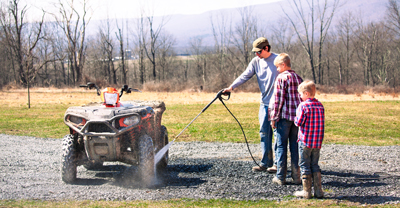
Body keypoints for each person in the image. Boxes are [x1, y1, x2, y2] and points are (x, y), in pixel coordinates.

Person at [223, 37, 279, 172]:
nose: (256, 54)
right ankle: (265, 162)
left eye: (258, 52)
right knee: (264, 133)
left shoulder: (278, 60)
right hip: (264, 103)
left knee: (278, 134)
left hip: (278, 105)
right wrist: (231, 87)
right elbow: (245, 75)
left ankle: (278, 164)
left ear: (266, 48)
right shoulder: (256, 62)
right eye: (255, 52)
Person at [269, 53, 303, 185]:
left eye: (277, 67)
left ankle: (280, 177)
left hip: (283, 118)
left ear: (283, 65)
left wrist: (273, 117)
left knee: (281, 146)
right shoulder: (298, 77)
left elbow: (278, 100)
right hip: (296, 119)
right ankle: (296, 176)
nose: (277, 69)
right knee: (294, 146)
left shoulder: (281, 78)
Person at [293, 80, 325, 199]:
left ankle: (306, 192)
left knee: (305, 165)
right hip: (317, 141)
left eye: (300, 94)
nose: (300, 96)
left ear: (306, 93)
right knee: (315, 165)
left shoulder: (303, 106)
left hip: (305, 140)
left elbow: (299, 122)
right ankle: (318, 191)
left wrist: (295, 118)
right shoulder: (320, 105)